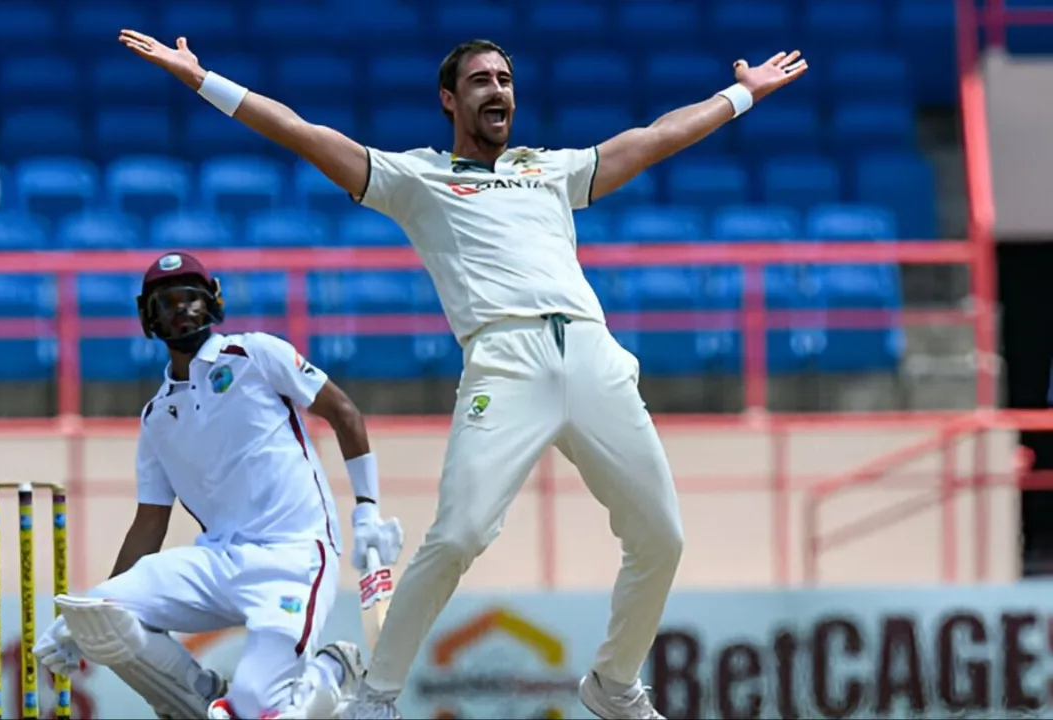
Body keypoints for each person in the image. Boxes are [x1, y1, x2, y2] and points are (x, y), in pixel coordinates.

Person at [118, 28, 807, 720]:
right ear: (450, 100)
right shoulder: (417, 178)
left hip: (594, 356)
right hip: (504, 362)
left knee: (663, 536)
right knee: (458, 535)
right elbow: (302, 132)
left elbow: (655, 138)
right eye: (481, 80)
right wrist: (202, 78)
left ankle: (614, 683)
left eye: (505, 79)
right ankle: (376, 695)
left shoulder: (550, 170)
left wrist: (740, 95)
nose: (498, 89)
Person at [32, 251, 405, 719]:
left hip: (294, 556)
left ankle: (332, 669)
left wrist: (366, 509)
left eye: (192, 297)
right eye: (168, 301)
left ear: (213, 303)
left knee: (256, 705)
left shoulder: (256, 353)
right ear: (149, 318)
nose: (183, 308)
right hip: (218, 560)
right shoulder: (156, 419)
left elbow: (344, 413)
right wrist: (84, 617)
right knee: (95, 610)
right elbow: (150, 523)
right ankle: (198, 699)